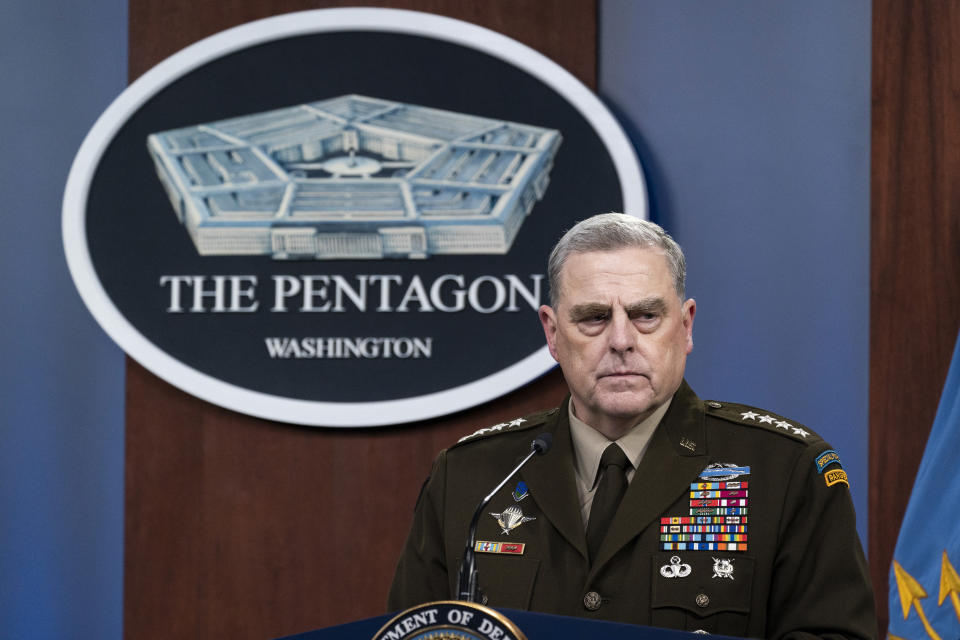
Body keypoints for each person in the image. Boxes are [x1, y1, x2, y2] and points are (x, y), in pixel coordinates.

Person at [388, 213, 876, 638]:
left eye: (645, 316)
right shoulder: (471, 479)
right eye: (594, 318)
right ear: (553, 333)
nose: (621, 340)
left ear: (685, 327)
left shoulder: (785, 472)